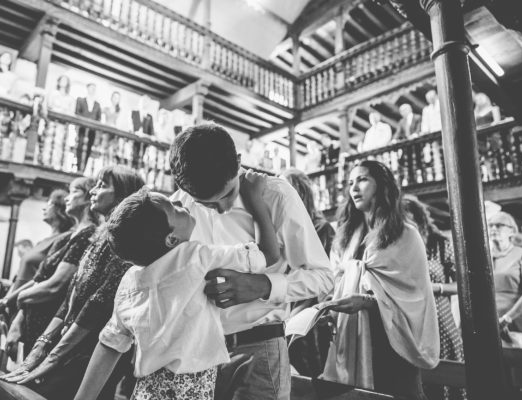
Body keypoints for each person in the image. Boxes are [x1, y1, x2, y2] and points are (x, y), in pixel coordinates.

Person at [75, 171, 280, 400]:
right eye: (174, 208)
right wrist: (256, 202)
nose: (181, 203)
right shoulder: (195, 257)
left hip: (147, 391)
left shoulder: (130, 281)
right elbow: (268, 255)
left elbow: (110, 344)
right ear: (172, 239)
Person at [170, 123, 333, 400]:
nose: (220, 209)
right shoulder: (179, 205)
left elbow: (323, 277)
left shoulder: (275, 195)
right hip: (195, 350)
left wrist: (263, 285)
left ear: (238, 162)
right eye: (205, 204)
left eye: (225, 196)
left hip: (258, 349)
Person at [0, 166, 144, 400]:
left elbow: (97, 305)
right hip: (69, 340)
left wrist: (52, 358)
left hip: (92, 350)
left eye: (102, 185)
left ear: (123, 195)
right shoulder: (98, 235)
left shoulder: (127, 241)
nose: (93, 192)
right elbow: (70, 297)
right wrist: (40, 347)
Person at [321, 160, 439, 399]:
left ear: (382, 185)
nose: (354, 188)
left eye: (362, 180)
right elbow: (336, 279)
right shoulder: (345, 236)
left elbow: (414, 294)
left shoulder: (406, 234)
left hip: (392, 339)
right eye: (350, 182)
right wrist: (329, 307)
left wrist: (366, 302)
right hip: (352, 333)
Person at [3, 177, 100, 353]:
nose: (67, 198)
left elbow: (55, 286)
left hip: (48, 323)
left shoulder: (89, 235)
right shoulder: (64, 238)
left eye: (74, 192)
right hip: (30, 317)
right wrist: (18, 319)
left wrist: (19, 298)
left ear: (88, 197)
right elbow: (39, 279)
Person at [403, 195, 466, 400]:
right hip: (410, 323)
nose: (405, 225)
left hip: (440, 318)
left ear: (420, 219)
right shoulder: (397, 247)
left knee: (447, 378)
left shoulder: (439, 244)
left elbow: (463, 285)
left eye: (409, 220)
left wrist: (434, 288)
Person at [281, 168, 335, 378]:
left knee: (310, 378)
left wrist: (290, 321)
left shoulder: (322, 229)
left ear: (299, 193)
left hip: (310, 320)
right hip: (286, 317)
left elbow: (323, 281)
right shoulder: (283, 229)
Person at [487, 211, 522, 350]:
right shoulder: (484, 256)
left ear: (511, 230)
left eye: (499, 225)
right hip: (493, 320)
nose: (493, 229)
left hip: (520, 317)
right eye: (490, 225)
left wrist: (507, 318)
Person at [75, 83, 102, 171]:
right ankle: (78, 167)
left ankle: (83, 169)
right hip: (82, 129)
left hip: (92, 131)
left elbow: (98, 118)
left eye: (94, 89)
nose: (92, 90)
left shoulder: (97, 104)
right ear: (87, 89)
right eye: (91, 88)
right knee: (80, 146)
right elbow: (77, 112)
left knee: (88, 149)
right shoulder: (80, 100)